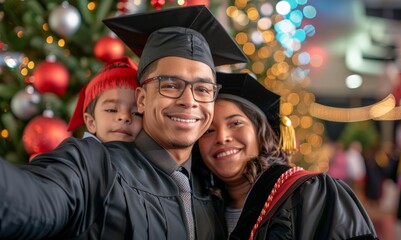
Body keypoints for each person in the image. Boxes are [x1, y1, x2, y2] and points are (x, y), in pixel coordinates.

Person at [0, 5, 247, 239]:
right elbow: (34, 197)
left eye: (203, 89)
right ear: (141, 99)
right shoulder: (94, 165)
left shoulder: (212, 187)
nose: (189, 100)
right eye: (170, 85)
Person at [194, 72, 379, 240]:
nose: (222, 138)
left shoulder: (310, 193)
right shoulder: (197, 205)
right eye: (208, 130)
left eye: (235, 123)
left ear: (261, 132)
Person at [67, 56, 142, 142]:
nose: (124, 117)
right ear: (91, 122)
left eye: (137, 113)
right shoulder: (78, 152)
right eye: (111, 110)